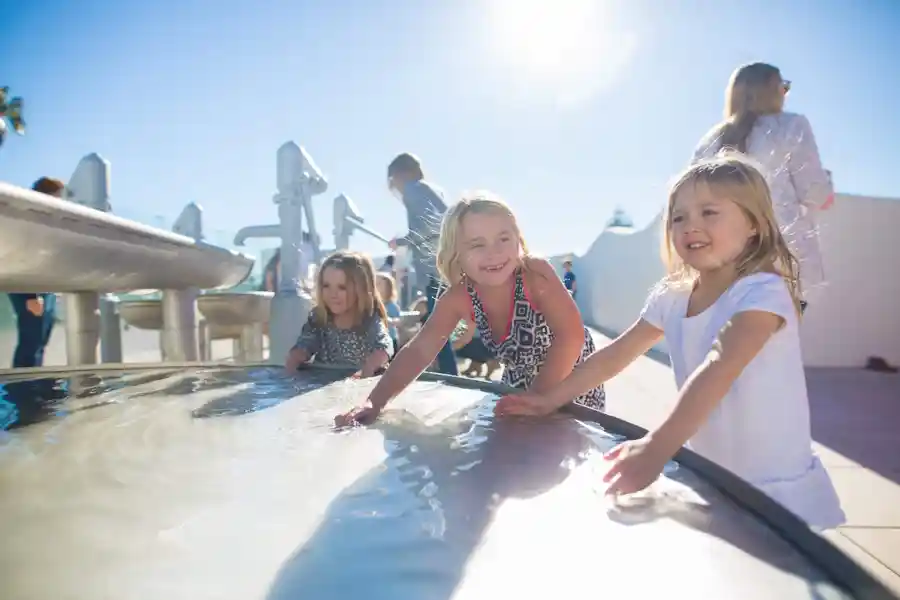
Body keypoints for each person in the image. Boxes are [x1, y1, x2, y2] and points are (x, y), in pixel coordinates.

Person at [497, 156, 844, 530]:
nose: (690, 225)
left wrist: (658, 447)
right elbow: (617, 354)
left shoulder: (762, 292)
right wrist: (552, 398)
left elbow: (722, 364)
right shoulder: (673, 296)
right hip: (716, 475)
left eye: (709, 212)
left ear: (755, 226)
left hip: (777, 488)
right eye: (679, 217)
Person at [336, 193, 606, 427]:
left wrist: (539, 399)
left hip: (571, 381)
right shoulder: (460, 298)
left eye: (503, 238)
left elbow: (570, 337)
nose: (494, 253)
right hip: (521, 381)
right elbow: (420, 350)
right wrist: (375, 401)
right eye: (477, 244)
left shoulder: (535, 274)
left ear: (518, 241)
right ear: (457, 254)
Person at [692, 62, 834, 309]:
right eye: (783, 86)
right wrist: (827, 183)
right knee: (777, 343)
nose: (785, 93)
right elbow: (814, 192)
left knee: (729, 343)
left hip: (722, 262)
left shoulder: (709, 140)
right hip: (779, 261)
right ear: (770, 89)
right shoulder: (790, 126)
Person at [386, 152, 458, 375]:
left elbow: (429, 227)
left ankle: (449, 376)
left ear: (401, 174)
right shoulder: (434, 190)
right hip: (447, 266)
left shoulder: (413, 190)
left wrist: (402, 241)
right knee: (442, 326)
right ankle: (448, 372)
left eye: (394, 179)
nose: (395, 186)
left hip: (434, 270)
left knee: (437, 329)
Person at [284, 251, 393, 376]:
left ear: (361, 289)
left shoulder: (368, 319)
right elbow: (304, 345)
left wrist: (368, 369)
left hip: (356, 384)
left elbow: (384, 348)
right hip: (321, 384)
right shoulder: (319, 318)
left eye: (342, 287)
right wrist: (294, 360)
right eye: (326, 286)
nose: (333, 294)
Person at [7, 177, 65, 368]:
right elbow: (18, 254)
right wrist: (29, 295)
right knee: (31, 342)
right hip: (29, 287)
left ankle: (34, 388)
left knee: (40, 341)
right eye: (58, 196)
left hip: (44, 288)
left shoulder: (46, 222)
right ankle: (22, 392)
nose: (61, 200)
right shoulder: (27, 219)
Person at [375, 272, 402, 356]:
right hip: (377, 341)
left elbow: (397, 321)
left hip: (390, 339)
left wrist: (387, 319)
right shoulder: (374, 305)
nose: (376, 287)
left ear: (388, 287)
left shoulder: (392, 305)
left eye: (379, 284)